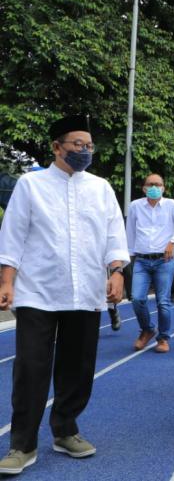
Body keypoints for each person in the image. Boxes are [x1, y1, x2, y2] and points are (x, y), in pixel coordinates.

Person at [0, 116, 129, 476]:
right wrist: (6, 282)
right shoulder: (31, 185)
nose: (85, 151)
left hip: (86, 290)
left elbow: (113, 233)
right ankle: (22, 445)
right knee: (31, 367)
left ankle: (66, 430)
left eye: (89, 145)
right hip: (38, 290)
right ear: (57, 147)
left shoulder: (101, 187)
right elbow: (12, 236)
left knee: (78, 365)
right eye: (77, 144)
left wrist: (116, 273)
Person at [125, 174, 174, 354]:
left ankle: (163, 338)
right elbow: (130, 231)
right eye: (150, 184)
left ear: (164, 187)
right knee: (137, 298)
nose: (154, 187)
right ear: (144, 187)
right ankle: (147, 329)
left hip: (164, 260)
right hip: (141, 260)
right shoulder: (135, 206)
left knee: (163, 301)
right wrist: (128, 256)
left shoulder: (172, 205)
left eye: (158, 184)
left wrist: (173, 242)